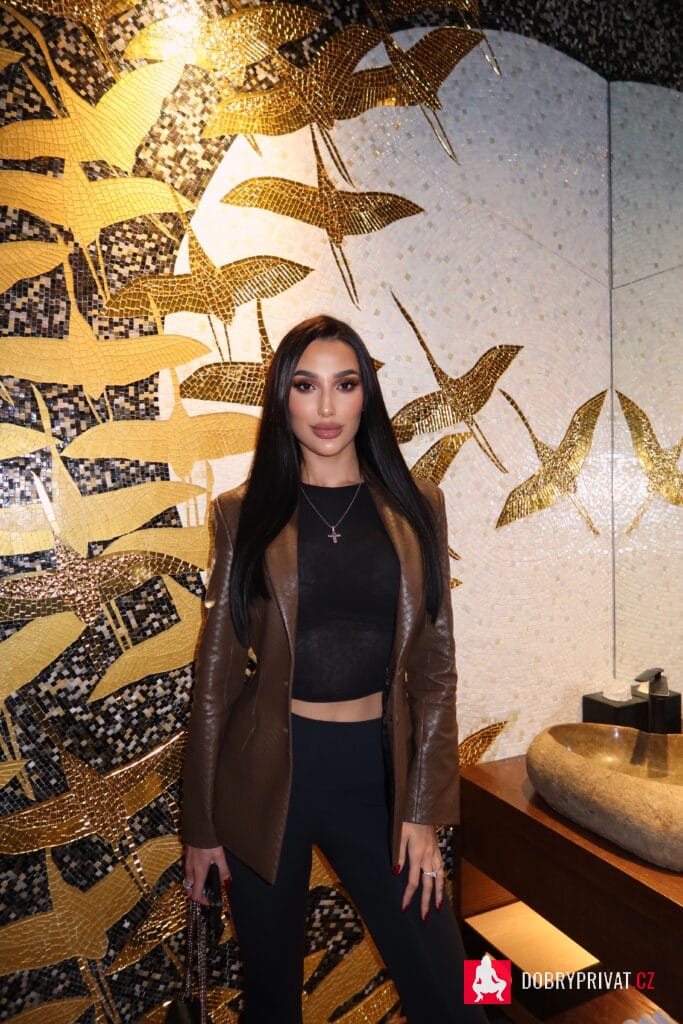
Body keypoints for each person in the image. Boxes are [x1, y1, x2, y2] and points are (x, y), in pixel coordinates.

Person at [181, 315, 487, 1024]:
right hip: (264, 778)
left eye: (344, 385)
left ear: (365, 397)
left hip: (377, 775)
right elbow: (216, 676)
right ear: (282, 399)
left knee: (456, 995)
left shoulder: (418, 506)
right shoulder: (242, 514)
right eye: (305, 386)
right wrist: (200, 824)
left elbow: (435, 672)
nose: (325, 406)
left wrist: (422, 810)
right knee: (272, 1003)